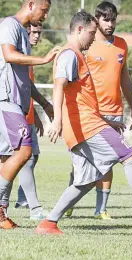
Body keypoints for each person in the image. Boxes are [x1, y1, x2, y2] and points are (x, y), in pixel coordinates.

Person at [35, 11, 132, 235]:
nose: (93, 38)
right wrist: (57, 120)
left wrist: (106, 120)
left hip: (88, 124)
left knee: (86, 181)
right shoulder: (70, 54)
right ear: (79, 30)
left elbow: (79, 98)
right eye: (91, 33)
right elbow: (59, 86)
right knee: (130, 155)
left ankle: (48, 223)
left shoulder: (76, 54)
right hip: (87, 127)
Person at [64, 1, 132, 220]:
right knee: (81, 162)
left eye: (113, 19)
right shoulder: (86, 45)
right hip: (89, 113)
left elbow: (124, 78)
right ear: (96, 21)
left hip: (114, 112)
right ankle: (71, 201)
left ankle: (101, 208)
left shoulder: (122, 45)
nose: (110, 24)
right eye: (105, 19)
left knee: (109, 161)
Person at [0, 0, 58, 229]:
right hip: (6, 101)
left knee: (6, 159)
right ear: (32, 4)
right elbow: (9, 55)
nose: (44, 16)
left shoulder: (22, 33)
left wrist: (44, 103)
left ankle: (1, 215)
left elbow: (25, 80)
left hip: (17, 103)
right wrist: (43, 60)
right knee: (25, 151)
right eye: (44, 11)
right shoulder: (9, 25)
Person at [0, 24, 47, 220]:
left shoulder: (25, 57)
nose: (37, 36)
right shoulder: (12, 53)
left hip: (24, 114)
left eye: (39, 32)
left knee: (18, 158)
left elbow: (27, 86)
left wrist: (39, 109)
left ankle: (3, 212)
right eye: (33, 32)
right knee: (22, 157)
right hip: (10, 112)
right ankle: (34, 208)